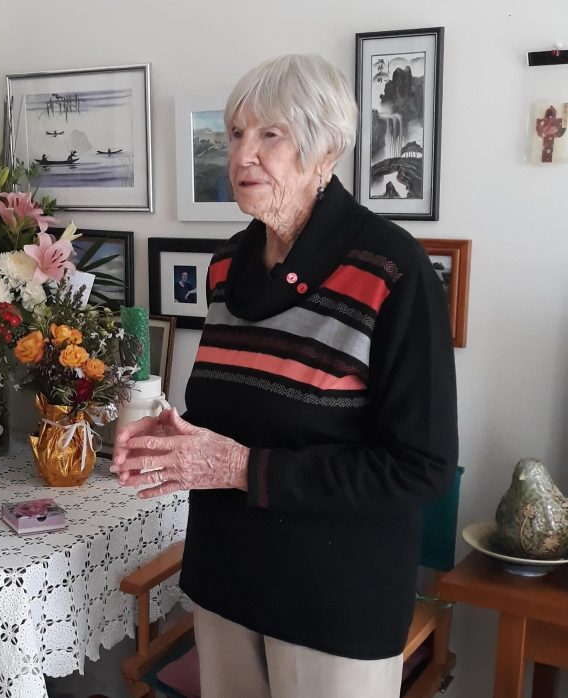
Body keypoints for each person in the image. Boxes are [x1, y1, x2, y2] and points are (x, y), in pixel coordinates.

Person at [112, 54, 457, 698]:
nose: (243, 154)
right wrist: (178, 440)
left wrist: (239, 468)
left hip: (332, 602)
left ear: (326, 148)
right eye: (236, 132)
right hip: (225, 581)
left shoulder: (391, 270)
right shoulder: (226, 267)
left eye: (269, 134)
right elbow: (233, 418)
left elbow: (421, 468)